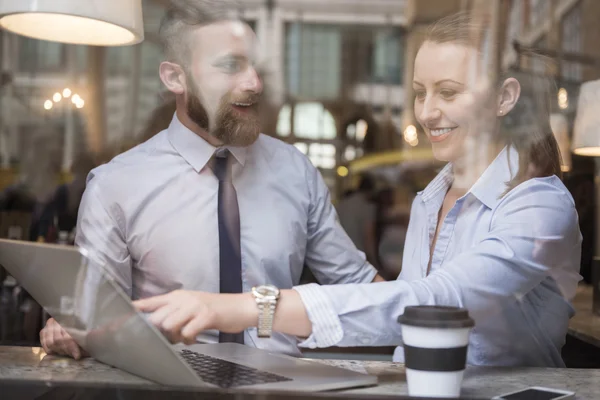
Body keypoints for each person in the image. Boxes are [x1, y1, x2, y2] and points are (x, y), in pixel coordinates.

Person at [134, 12, 583, 367]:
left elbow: (435, 303)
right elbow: (405, 330)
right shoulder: (431, 199)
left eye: (448, 92)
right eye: (419, 92)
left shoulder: (539, 206)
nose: (426, 112)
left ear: (505, 97)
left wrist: (246, 308)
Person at [39, 0, 382, 360]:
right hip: (167, 387)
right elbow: (92, 314)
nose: (254, 83)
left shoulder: (295, 172)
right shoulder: (115, 186)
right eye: (231, 66)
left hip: (281, 387)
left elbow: (359, 289)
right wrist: (73, 329)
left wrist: (426, 311)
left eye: (255, 66)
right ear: (175, 77)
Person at [336, 174, 377, 266]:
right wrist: (374, 261)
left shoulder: (341, 204)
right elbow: (368, 237)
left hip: (338, 254)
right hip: (358, 257)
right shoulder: (367, 207)